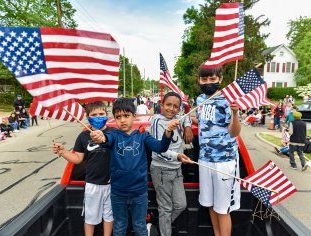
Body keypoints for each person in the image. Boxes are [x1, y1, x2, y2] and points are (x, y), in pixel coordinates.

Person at [90, 98, 179, 236]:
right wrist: (101, 138)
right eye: (118, 117)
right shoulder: (113, 135)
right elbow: (105, 140)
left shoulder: (143, 136)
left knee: (140, 226)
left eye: (126, 116)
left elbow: (160, 147)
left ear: (134, 116)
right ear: (114, 119)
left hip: (139, 193)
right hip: (118, 193)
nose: (123, 120)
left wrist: (168, 133)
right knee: (119, 227)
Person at [52, 101, 114, 236]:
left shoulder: (114, 133)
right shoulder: (83, 136)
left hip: (112, 184)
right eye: (94, 114)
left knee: (109, 216)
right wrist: (63, 152)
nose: (98, 117)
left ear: (107, 115)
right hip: (93, 184)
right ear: (88, 117)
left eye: (101, 114)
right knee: (90, 217)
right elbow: (78, 159)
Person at [195, 63, 241, 236]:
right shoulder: (199, 100)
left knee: (223, 208)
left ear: (220, 79)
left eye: (212, 79)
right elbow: (202, 122)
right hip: (204, 159)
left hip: (224, 161)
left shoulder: (229, 100)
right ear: (199, 80)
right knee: (210, 204)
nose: (208, 82)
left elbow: (234, 132)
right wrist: (184, 123)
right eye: (204, 78)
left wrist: (235, 114)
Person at [150, 92, 193, 236]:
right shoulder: (157, 121)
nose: (171, 109)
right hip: (161, 169)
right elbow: (159, 149)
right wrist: (178, 156)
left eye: (175, 106)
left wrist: (187, 127)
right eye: (168, 105)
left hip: (177, 170)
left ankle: (157, 225)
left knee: (181, 205)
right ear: (161, 105)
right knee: (166, 209)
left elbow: (186, 115)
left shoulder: (178, 118)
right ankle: (164, 231)